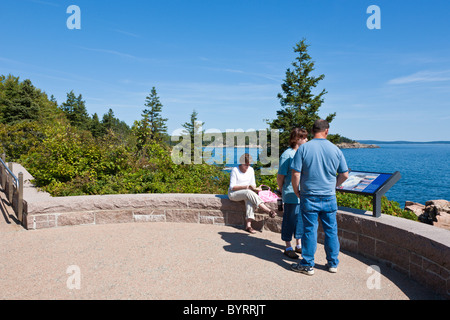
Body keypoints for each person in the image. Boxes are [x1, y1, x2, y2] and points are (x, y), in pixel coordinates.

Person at [290, 119, 349, 275]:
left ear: (312, 131)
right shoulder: (335, 149)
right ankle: (332, 264)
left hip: (309, 196)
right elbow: (344, 174)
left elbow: (295, 174)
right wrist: (333, 185)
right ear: (327, 131)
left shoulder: (303, 149)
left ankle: (307, 264)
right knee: (331, 231)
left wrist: (297, 191)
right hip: (329, 196)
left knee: (309, 230)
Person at [277, 128, 308, 259]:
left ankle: (299, 244)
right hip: (290, 192)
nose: (307, 140)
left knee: (300, 220)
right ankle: (288, 246)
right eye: (304, 137)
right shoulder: (287, 154)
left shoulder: (302, 153)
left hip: (302, 193)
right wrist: (281, 190)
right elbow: (280, 175)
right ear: (297, 139)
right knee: (289, 220)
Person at [228, 153, 277, 234]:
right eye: (245, 164)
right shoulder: (235, 170)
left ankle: (248, 225)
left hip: (247, 193)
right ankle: (268, 210)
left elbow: (253, 184)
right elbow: (232, 187)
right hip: (233, 193)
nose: (247, 166)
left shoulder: (251, 170)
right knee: (248, 192)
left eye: (249, 164)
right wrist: (246, 187)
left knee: (249, 199)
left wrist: (255, 188)